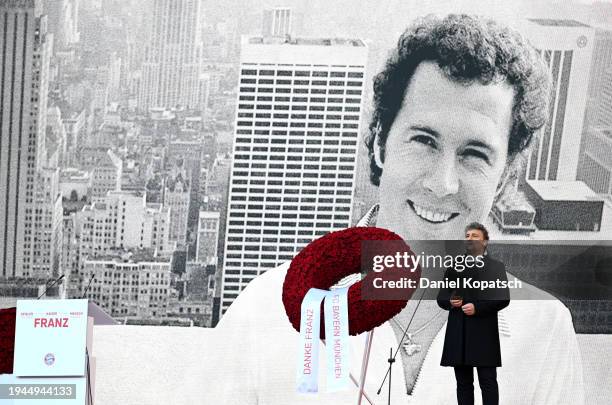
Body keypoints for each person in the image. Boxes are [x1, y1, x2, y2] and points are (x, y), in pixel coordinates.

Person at [206, 14, 585, 404]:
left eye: (475, 154)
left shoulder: (544, 335)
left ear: (503, 179)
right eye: (423, 140)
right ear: (380, 144)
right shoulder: (263, 316)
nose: (442, 183)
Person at [437, 223, 510, 405]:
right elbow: (441, 298)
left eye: (475, 236)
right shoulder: (454, 267)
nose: (469, 238)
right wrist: (450, 301)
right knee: (463, 384)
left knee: (488, 382)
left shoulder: (496, 267)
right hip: (459, 332)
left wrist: (477, 308)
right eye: (467, 235)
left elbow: (502, 298)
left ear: (485, 242)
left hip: (484, 334)